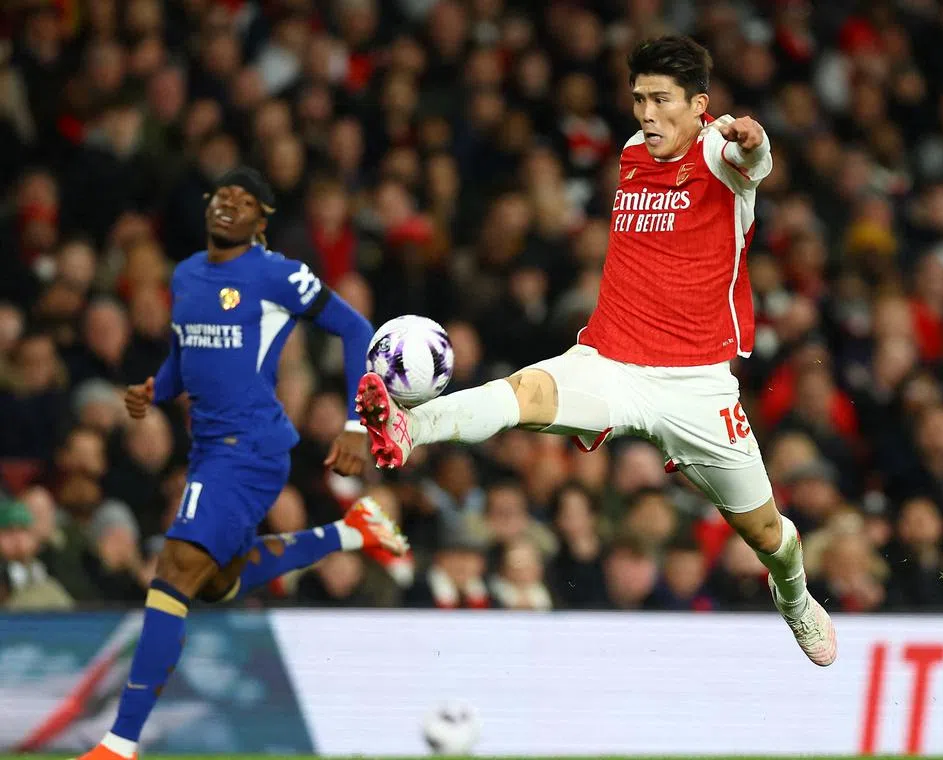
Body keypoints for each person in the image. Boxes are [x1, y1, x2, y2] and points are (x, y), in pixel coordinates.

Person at [357, 37, 836, 665]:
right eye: (638, 98)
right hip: (610, 359)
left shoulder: (721, 154)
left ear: (698, 105)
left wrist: (752, 141)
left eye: (661, 100)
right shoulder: (635, 153)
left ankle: (796, 600)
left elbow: (755, 158)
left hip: (695, 384)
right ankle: (408, 424)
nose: (645, 113)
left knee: (767, 535)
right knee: (525, 395)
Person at [79, 167, 409, 760]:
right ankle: (349, 530)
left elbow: (355, 326)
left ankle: (118, 743)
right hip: (210, 446)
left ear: (263, 220)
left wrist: (360, 423)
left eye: (245, 199)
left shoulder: (278, 274)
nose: (228, 204)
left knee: (174, 570)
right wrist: (155, 390)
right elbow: (187, 354)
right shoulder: (185, 275)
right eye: (221, 195)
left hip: (248, 449)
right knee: (214, 584)